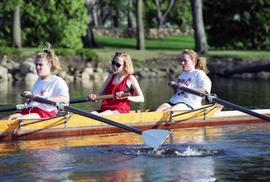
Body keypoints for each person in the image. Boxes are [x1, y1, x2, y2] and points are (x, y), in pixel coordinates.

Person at [9, 43, 69, 120]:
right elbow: (36, 98)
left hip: (45, 113)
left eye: (40, 65)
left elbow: (65, 99)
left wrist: (45, 98)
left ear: (49, 65)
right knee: (9, 118)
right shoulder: (38, 81)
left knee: (17, 121)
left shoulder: (58, 81)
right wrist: (30, 96)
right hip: (30, 110)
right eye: (36, 64)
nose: (37, 67)